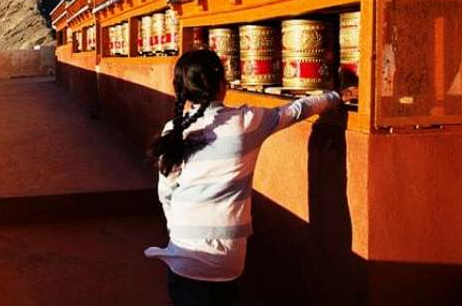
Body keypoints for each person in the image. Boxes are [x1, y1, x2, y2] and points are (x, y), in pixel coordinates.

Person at [144, 49, 356, 306]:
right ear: (222, 84)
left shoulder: (173, 131)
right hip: (228, 260)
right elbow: (297, 110)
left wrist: (175, 231)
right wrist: (337, 96)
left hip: (183, 255)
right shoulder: (246, 122)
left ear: (182, 89)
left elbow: (166, 193)